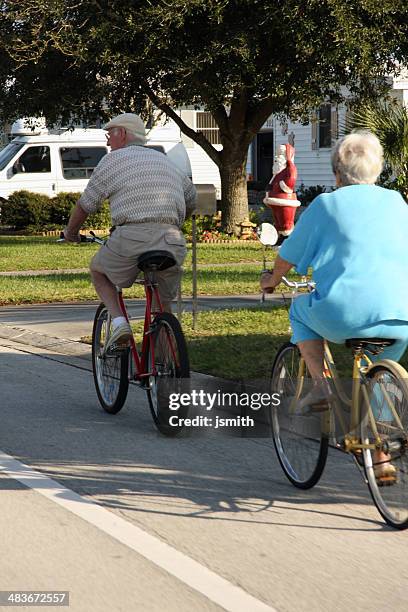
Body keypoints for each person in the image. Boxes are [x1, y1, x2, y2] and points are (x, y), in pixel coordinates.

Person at [260, 130, 408, 481]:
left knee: (299, 310)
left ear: (337, 173)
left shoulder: (327, 205)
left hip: (343, 313)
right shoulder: (398, 202)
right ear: (377, 170)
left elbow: (289, 255)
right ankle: (379, 451)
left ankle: (321, 386)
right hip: (400, 316)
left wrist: (272, 279)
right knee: (378, 370)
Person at [64, 113, 196, 347]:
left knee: (98, 270)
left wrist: (71, 234)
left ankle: (119, 323)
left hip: (132, 237)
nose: (107, 142)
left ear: (122, 134)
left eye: (109, 135)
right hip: (172, 238)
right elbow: (191, 197)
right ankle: (164, 367)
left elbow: (86, 205)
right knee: (162, 305)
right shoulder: (166, 161)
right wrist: (174, 221)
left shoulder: (112, 161)